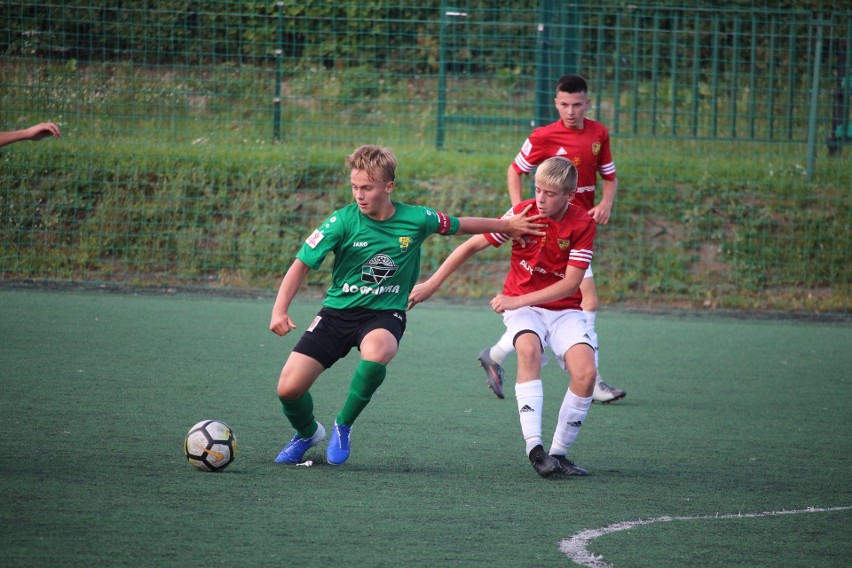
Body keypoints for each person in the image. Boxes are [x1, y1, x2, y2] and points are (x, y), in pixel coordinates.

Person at [270, 144, 545, 466]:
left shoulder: (417, 219)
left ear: (388, 187)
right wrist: (279, 310)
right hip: (336, 314)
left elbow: (460, 224)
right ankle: (306, 434)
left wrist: (507, 225)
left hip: (384, 314)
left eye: (367, 188)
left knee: (379, 352)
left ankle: (343, 425)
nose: (359, 195)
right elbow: (301, 264)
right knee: (288, 389)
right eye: (355, 187)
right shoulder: (340, 222)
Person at [408, 156, 596, 478]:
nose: (540, 198)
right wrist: (432, 283)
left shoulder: (582, 223)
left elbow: (570, 283)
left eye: (550, 193)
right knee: (528, 349)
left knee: (586, 374)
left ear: (570, 194)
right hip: (524, 309)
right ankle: (535, 450)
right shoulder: (521, 213)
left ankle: (558, 454)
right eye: (537, 189)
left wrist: (514, 299)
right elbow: (470, 245)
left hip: (562, 308)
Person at [476, 74, 625, 404]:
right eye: (564, 105)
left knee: (568, 302)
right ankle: (592, 378)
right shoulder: (543, 136)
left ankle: (497, 355)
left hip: (577, 231)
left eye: (577, 104)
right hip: (549, 230)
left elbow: (610, 176)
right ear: (556, 103)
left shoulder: (599, 134)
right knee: (585, 300)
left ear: (588, 103)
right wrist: (518, 211)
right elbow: (516, 170)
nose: (571, 111)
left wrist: (605, 203)